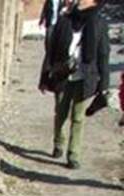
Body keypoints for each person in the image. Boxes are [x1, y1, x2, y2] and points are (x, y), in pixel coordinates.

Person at [47, 0, 111, 168]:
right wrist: (46, 75)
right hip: (63, 74)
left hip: (85, 76)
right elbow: (52, 50)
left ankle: (73, 154)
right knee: (60, 112)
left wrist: (103, 85)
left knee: (78, 117)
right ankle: (58, 143)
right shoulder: (66, 20)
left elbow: (103, 54)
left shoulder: (99, 23)